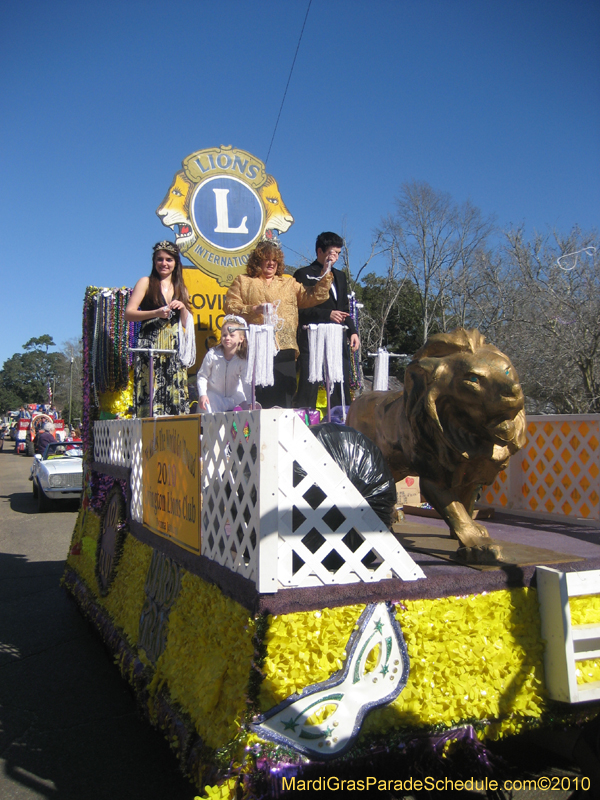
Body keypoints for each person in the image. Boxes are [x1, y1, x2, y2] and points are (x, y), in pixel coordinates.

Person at [224, 240, 334, 408]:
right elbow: (229, 306)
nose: (271, 263)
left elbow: (313, 296)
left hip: (285, 348)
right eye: (267, 259)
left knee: (285, 395)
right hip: (256, 349)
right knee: (259, 396)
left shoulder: (289, 283)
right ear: (257, 261)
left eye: (275, 260)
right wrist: (254, 309)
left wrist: (326, 271)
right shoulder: (243, 281)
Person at [125, 241, 195, 417]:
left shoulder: (181, 288)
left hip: (173, 347)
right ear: (154, 261)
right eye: (160, 259)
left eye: (169, 260)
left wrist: (183, 307)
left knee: (173, 391)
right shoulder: (146, 282)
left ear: (175, 263)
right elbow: (129, 313)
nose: (164, 263)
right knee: (151, 390)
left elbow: (187, 323)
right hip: (150, 345)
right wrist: (155, 312)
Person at [293, 232, 360, 410]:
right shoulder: (304, 274)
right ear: (320, 251)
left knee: (340, 378)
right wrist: (327, 314)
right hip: (312, 336)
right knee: (310, 380)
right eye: (332, 253)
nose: (335, 257)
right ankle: (304, 420)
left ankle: (341, 420)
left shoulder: (340, 276)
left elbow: (344, 308)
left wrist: (352, 331)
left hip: (337, 335)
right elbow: (300, 309)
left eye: (338, 253)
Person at [197, 315, 250, 412]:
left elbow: (246, 382)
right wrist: (202, 394)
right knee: (209, 408)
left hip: (233, 397)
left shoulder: (242, 359)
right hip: (214, 398)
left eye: (232, 335)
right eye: (224, 335)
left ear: (241, 339)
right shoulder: (212, 355)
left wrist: (249, 402)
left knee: (246, 406)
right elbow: (202, 376)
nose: (227, 338)